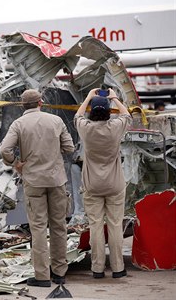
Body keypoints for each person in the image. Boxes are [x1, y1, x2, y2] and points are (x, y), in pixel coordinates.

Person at [0, 89, 75, 287]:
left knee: (39, 228)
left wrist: (15, 162)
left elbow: (4, 149)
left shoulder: (18, 124)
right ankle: (60, 272)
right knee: (59, 226)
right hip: (56, 180)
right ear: (41, 102)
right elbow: (69, 148)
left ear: (23, 105)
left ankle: (42, 276)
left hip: (33, 181)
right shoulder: (56, 121)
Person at [74, 88, 131, 279]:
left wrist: (89, 97)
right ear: (108, 112)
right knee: (115, 225)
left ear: (92, 111)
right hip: (114, 184)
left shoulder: (86, 129)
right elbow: (126, 114)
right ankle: (117, 268)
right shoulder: (115, 128)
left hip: (92, 185)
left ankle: (97, 269)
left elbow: (78, 115)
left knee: (96, 226)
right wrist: (114, 97)